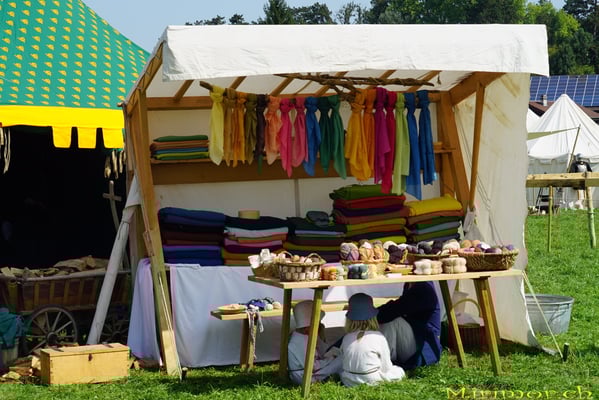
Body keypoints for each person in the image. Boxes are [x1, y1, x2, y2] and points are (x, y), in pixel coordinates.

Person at [340, 293, 405, 387]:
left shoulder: (346, 338)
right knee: (399, 371)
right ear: (373, 317)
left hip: (348, 380)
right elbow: (386, 367)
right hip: (372, 379)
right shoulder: (378, 337)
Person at [377, 282, 442, 370]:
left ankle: (385, 363)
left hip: (425, 346)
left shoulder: (423, 287)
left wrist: (370, 315)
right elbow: (399, 306)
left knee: (391, 320)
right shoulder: (410, 284)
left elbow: (395, 309)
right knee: (390, 318)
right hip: (416, 335)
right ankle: (384, 359)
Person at [287, 300, 342, 385]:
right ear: (307, 328)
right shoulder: (299, 342)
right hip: (306, 377)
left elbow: (323, 351)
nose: (320, 325)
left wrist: (321, 336)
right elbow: (312, 366)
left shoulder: (303, 336)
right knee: (341, 360)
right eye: (318, 323)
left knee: (338, 351)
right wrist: (330, 359)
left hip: (310, 371)